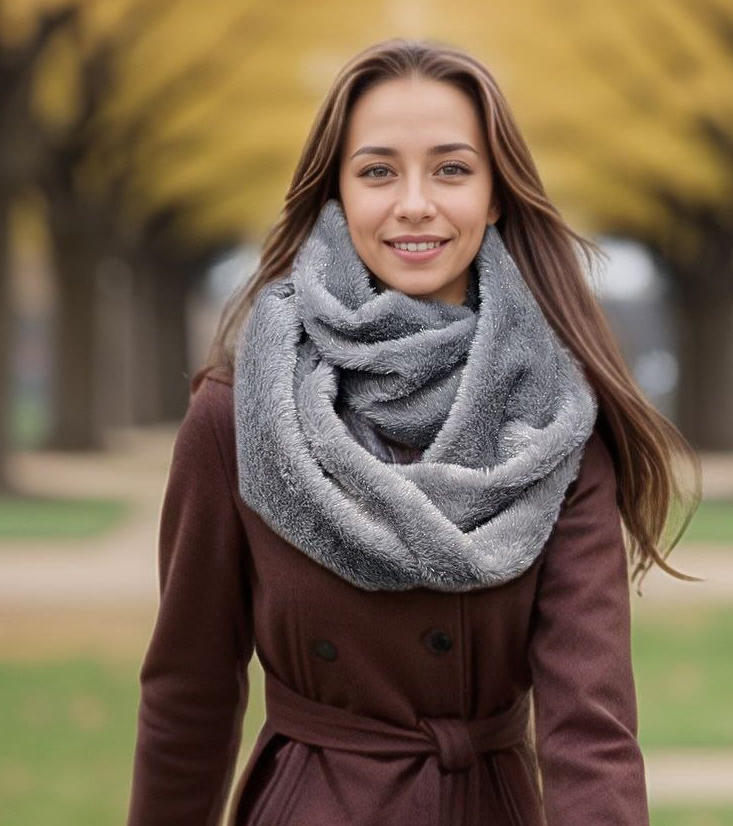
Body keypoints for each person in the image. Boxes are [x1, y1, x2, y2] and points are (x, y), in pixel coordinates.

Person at [125, 38, 701, 826]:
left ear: (496, 194)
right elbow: (188, 696)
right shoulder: (236, 413)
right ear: (337, 193)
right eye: (377, 170)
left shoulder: (556, 424)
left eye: (453, 169)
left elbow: (589, 728)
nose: (415, 203)